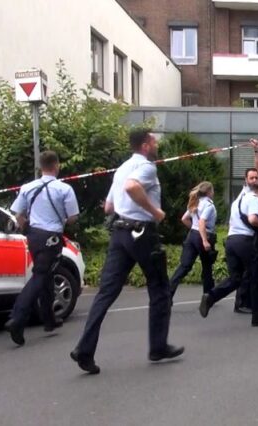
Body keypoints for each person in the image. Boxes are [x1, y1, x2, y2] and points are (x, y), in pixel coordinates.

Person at [71, 129, 183, 375]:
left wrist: (129, 206)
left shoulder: (121, 169)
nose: (156, 145)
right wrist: (155, 211)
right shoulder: (146, 167)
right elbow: (133, 187)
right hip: (142, 233)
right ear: (145, 145)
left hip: (120, 234)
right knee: (160, 289)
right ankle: (158, 347)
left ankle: (84, 349)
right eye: (154, 142)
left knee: (106, 293)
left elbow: (109, 207)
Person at [4, 151, 79, 346]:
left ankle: (49, 319)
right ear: (56, 166)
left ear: (41, 167)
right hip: (51, 238)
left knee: (46, 275)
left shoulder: (27, 187)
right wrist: (62, 219)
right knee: (40, 275)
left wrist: (23, 229)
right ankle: (17, 318)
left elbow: (18, 214)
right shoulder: (64, 189)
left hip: (33, 237)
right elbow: (73, 218)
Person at [199, 183, 258, 326]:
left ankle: (210, 297)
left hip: (231, 241)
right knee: (256, 279)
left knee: (235, 279)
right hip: (245, 241)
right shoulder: (254, 198)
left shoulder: (237, 201)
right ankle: (257, 318)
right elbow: (253, 219)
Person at [169, 181, 218, 301]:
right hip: (204, 236)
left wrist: (194, 229)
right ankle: (207, 297)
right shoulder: (209, 205)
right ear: (209, 192)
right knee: (207, 267)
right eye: (212, 190)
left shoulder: (196, 202)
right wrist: (204, 240)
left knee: (184, 266)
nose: (213, 193)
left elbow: (184, 219)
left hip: (192, 236)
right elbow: (202, 222)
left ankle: (168, 294)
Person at [234, 139, 258, 314]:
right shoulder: (246, 195)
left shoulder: (257, 189)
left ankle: (254, 303)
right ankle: (243, 303)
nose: (254, 180)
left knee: (254, 272)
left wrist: (257, 150)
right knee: (249, 272)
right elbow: (251, 219)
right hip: (249, 236)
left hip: (255, 236)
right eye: (251, 178)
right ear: (245, 180)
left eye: (256, 177)